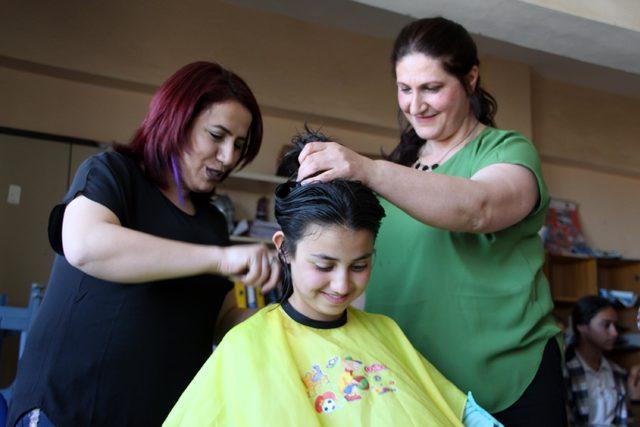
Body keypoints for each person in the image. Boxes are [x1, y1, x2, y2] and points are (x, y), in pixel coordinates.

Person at [296, 17, 563, 424]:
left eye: (431, 88)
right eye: (405, 89)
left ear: (470, 79)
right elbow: (369, 275)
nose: (415, 105)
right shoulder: (399, 171)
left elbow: (479, 207)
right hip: (412, 387)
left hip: (507, 384)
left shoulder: (507, 151)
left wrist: (367, 169)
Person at [164, 129, 502, 426]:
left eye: (359, 266)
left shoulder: (386, 331)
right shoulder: (245, 345)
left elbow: (453, 409)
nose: (342, 285)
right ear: (284, 249)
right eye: (324, 266)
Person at [7, 61, 279, 426]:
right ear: (176, 121)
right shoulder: (113, 173)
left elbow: (221, 318)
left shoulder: (212, 222)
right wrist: (218, 258)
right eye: (217, 136)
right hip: (70, 409)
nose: (229, 157)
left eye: (239, 145)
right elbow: (85, 245)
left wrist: (287, 313)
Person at [565, 296, 640, 426]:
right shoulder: (565, 373)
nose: (614, 333)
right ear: (582, 327)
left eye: (615, 326)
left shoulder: (619, 373)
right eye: (606, 325)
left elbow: (629, 421)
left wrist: (635, 399)